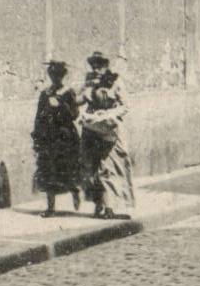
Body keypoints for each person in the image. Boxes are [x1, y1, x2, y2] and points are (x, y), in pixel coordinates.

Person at [79, 52, 135, 219]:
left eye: (99, 66)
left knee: (109, 169)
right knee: (93, 168)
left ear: (106, 66)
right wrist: (85, 113)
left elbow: (125, 106)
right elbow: (83, 102)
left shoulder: (116, 82)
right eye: (93, 66)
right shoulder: (89, 82)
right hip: (91, 129)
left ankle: (110, 208)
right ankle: (98, 205)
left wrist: (108, 113)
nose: (96, 69)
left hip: (110, 130)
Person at [32, 60, 82, 216]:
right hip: (49, 137)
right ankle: (51, 207)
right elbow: (38, 117)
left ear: (62, 76)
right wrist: (37, 137)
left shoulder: (68, 92)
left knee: (67, 169)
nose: (55, 79)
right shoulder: (44, 94)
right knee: (48, 170)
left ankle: (75, 191)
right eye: (53, 75)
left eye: (58, 76)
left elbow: (74, 114)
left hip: (65, 137)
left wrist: (61, 105)